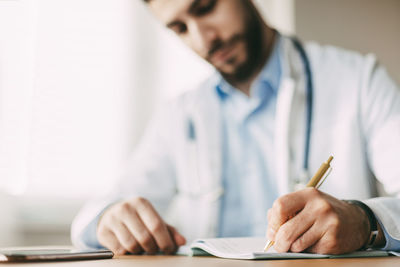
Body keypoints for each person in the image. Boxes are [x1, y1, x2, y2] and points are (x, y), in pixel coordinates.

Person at [71, 0, 400, 256]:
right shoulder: (180, 114)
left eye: (205, 7)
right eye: (180, 28)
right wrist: (109, 220)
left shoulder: (358, 80)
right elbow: (94, 216)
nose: (204, 39)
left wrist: (365, 221)